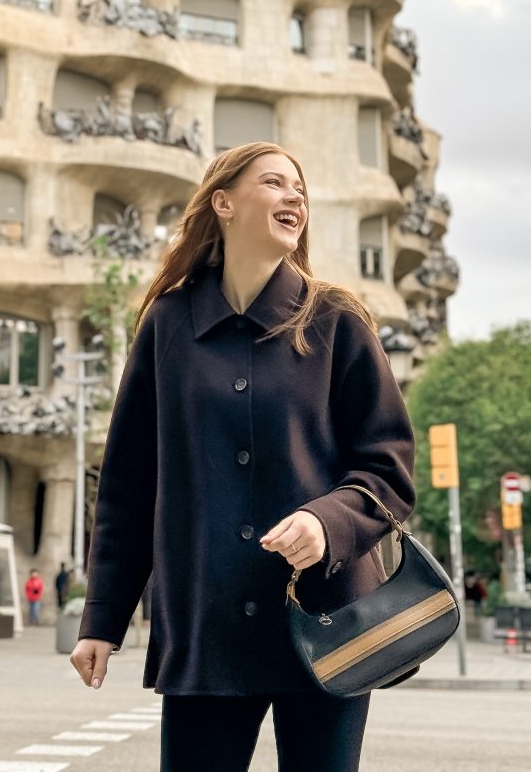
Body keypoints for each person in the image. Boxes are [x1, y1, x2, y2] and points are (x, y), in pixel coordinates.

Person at [70, 143, 416, 772]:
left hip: (326, 621)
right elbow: (127, 485)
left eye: (301, 188)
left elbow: (388, 468)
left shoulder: (337, 322)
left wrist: (326, 522)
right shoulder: (167, 325)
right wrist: (102, 618)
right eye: (276, 183)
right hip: (206, 626)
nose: (295, 197)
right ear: (223, 203)